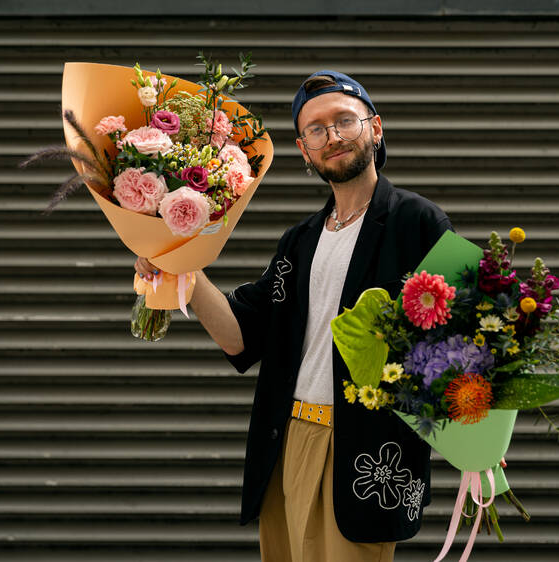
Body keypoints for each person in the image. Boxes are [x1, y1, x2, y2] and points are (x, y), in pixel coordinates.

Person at [135, 70, 453, 561]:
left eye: (344, 121)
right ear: (303, 150)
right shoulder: (299, 242)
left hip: (365, 448)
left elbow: (459, 340)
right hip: (287, 439)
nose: (332, 137)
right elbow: (241, 337)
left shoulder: (418, 223)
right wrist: (182, 269)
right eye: (316, 129)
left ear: (375, 127)